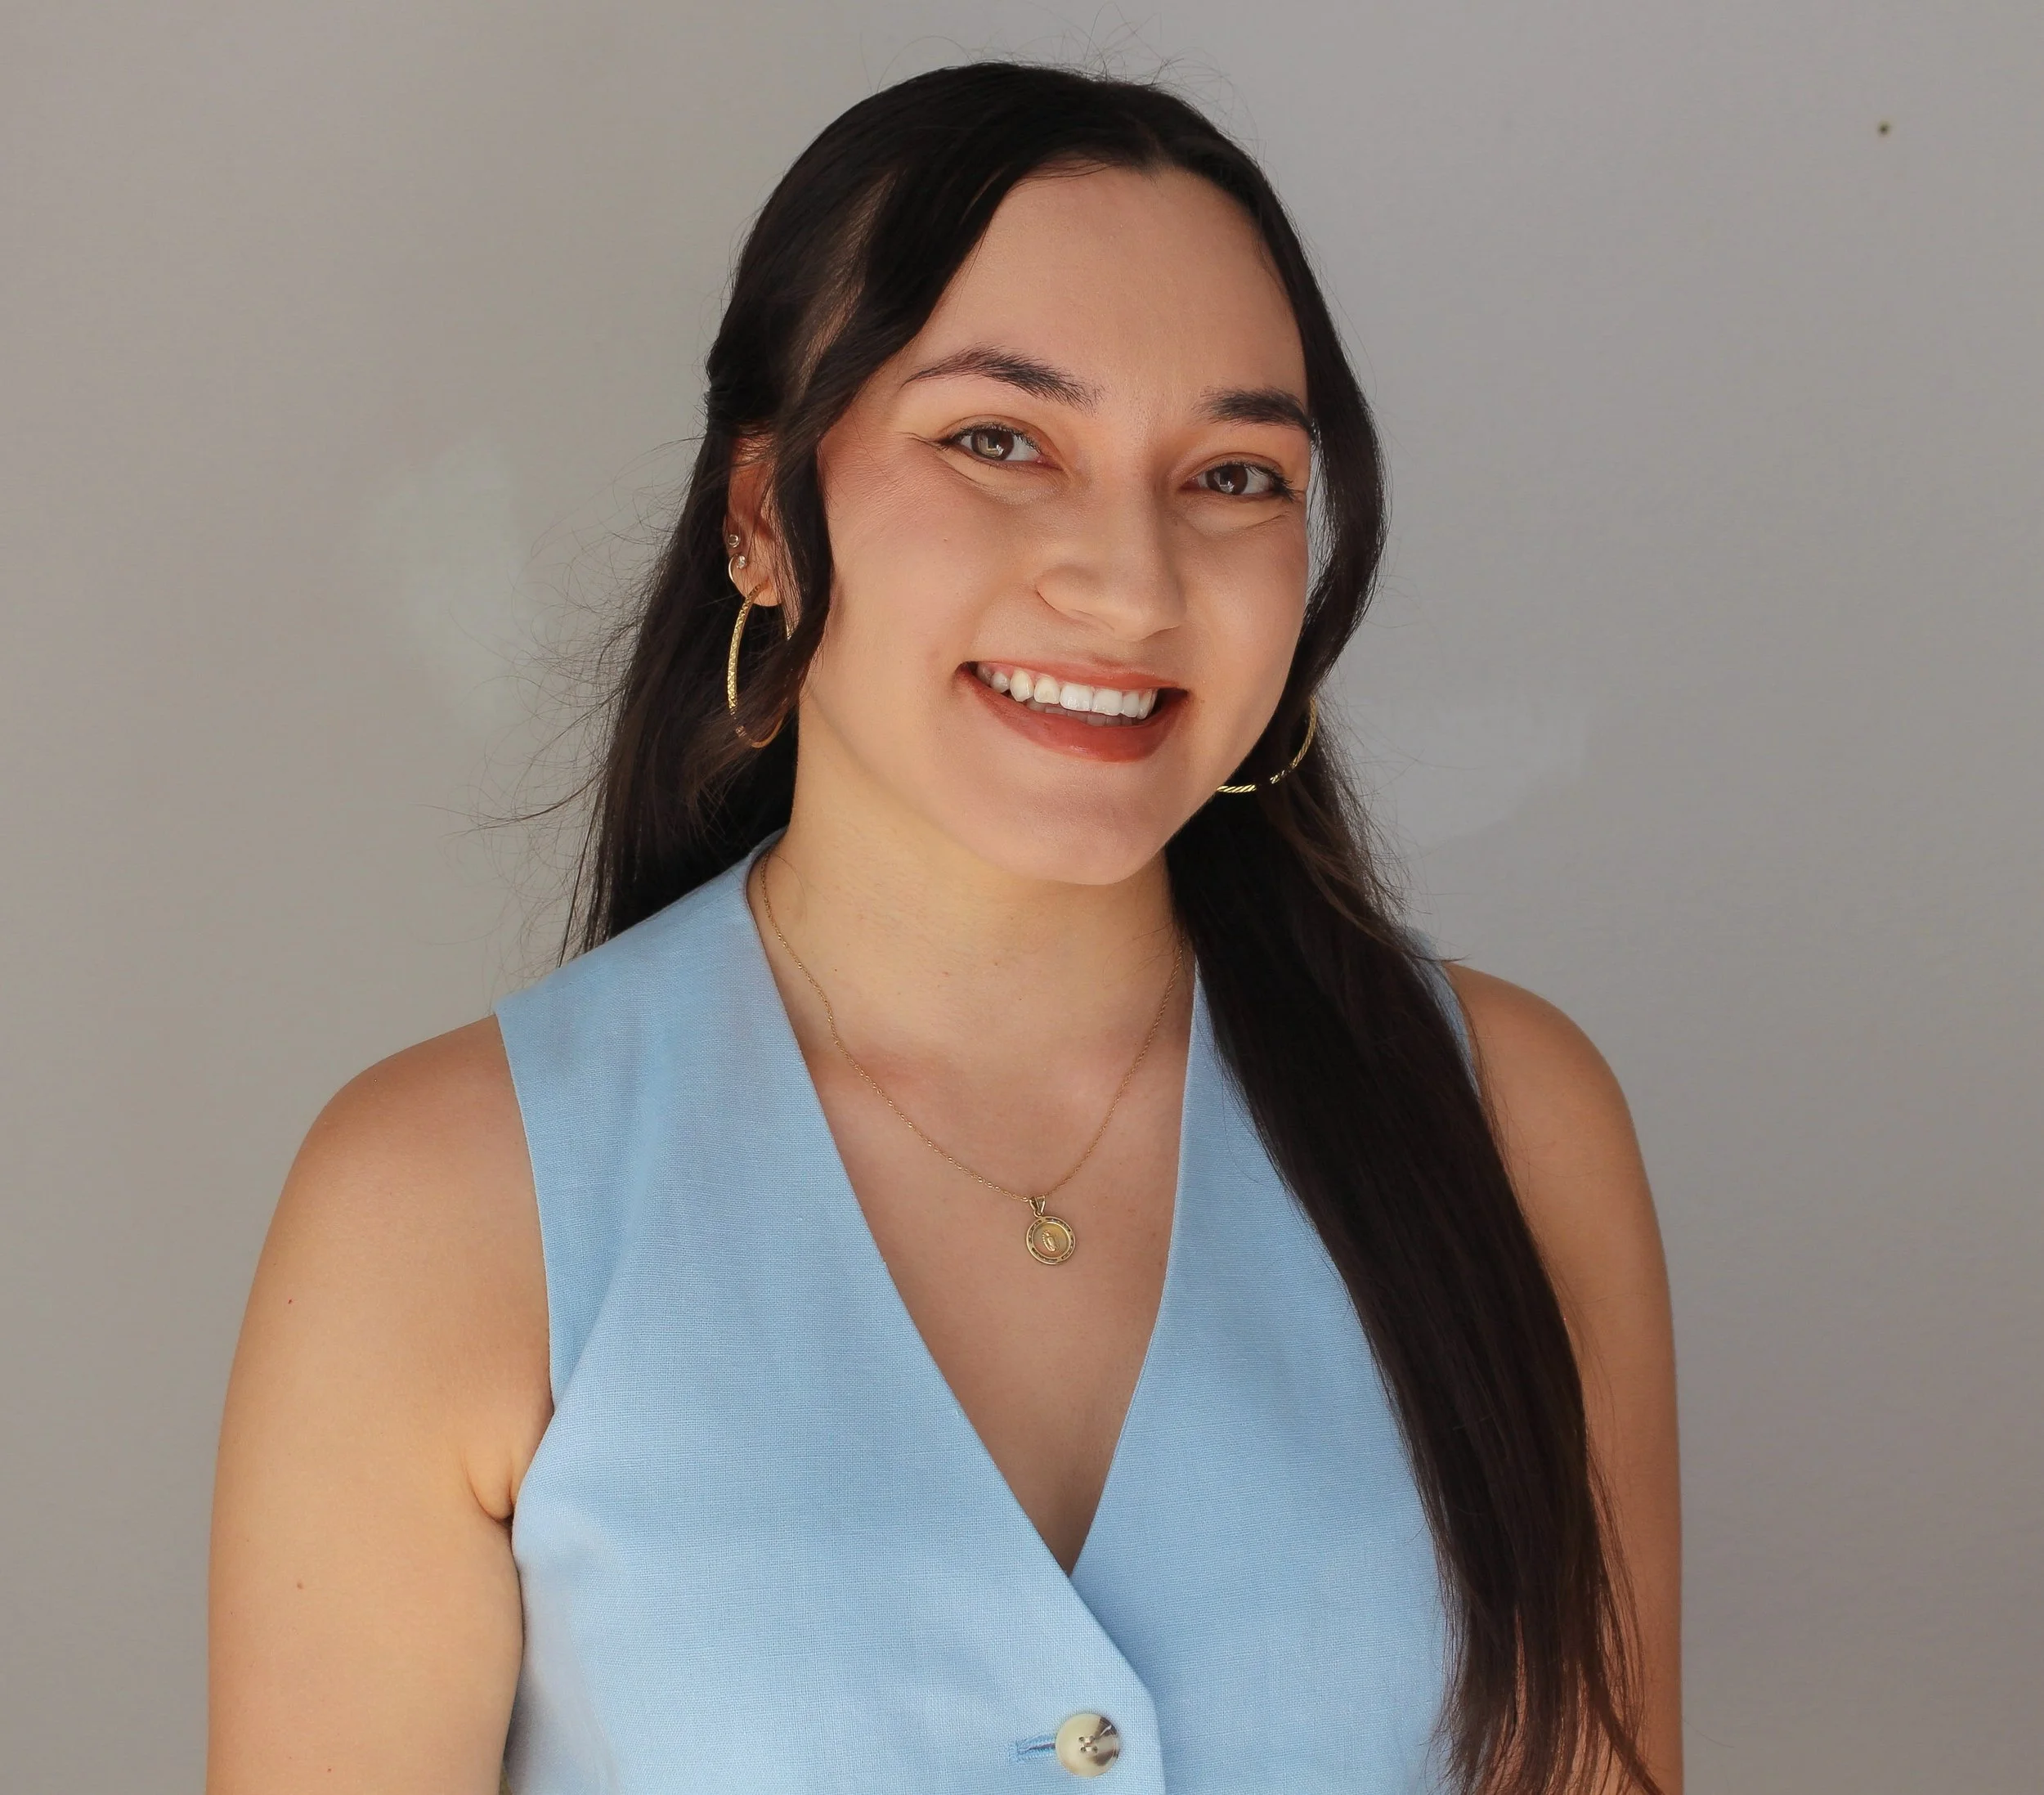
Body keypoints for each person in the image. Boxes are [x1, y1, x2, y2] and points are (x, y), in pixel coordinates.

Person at [208, 62, 1679, 1795]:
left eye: (1232, 474)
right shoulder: (436, 1204)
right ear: (759, 515)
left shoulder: (1509, 1124)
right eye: (999, 440)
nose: (1127, 581)